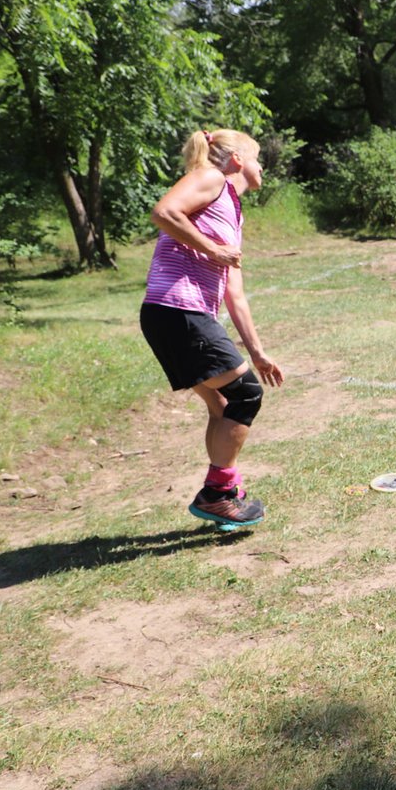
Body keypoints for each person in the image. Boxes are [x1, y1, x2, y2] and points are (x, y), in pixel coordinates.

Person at [141, 128, 284, 528]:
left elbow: (234, 293)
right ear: (237, 159)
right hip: (177, 310)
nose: (261, 167)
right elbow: (164, 212)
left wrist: (258, 352)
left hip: (174, 315)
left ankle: (226, 492)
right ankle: (217, 495)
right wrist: (213, 249)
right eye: (257, 158)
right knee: (246, 394)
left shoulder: (232, 211)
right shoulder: (211, 178)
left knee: (221, 406)